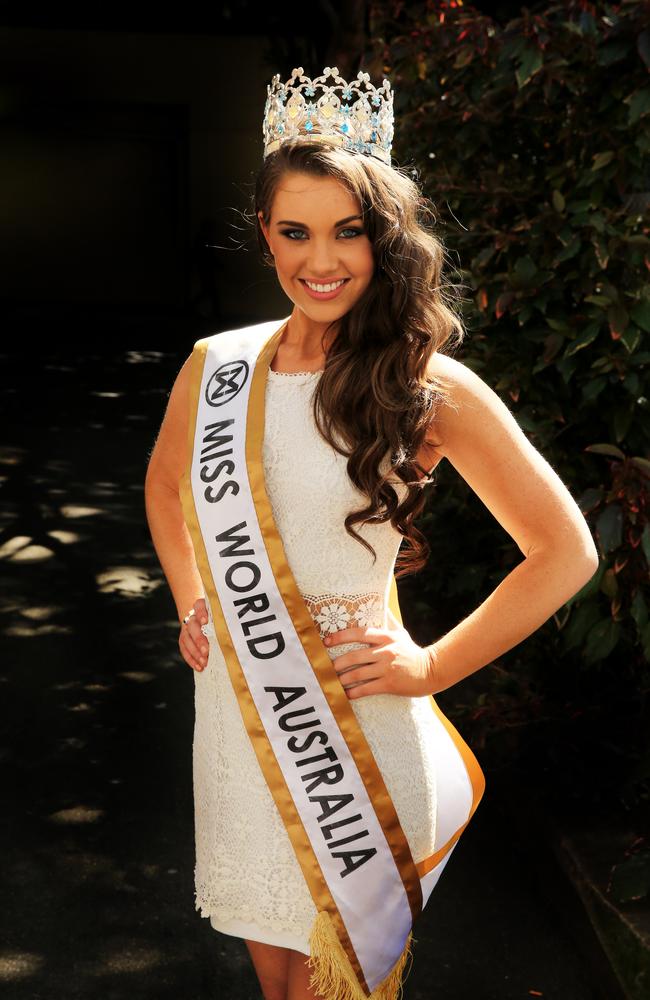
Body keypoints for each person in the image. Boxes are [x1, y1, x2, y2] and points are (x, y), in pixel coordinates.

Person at [144, 67, 599, 1000]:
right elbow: (163, 491)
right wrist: (195, 596)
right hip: (237, 727)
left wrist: (430, 666)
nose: (324, 259)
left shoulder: (427, 386)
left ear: (384, 237)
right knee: (278, 987)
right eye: (297, 231)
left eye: (350, 231)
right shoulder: (217, 367)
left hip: (356, 743)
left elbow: (567, 551)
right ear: (265, 232)